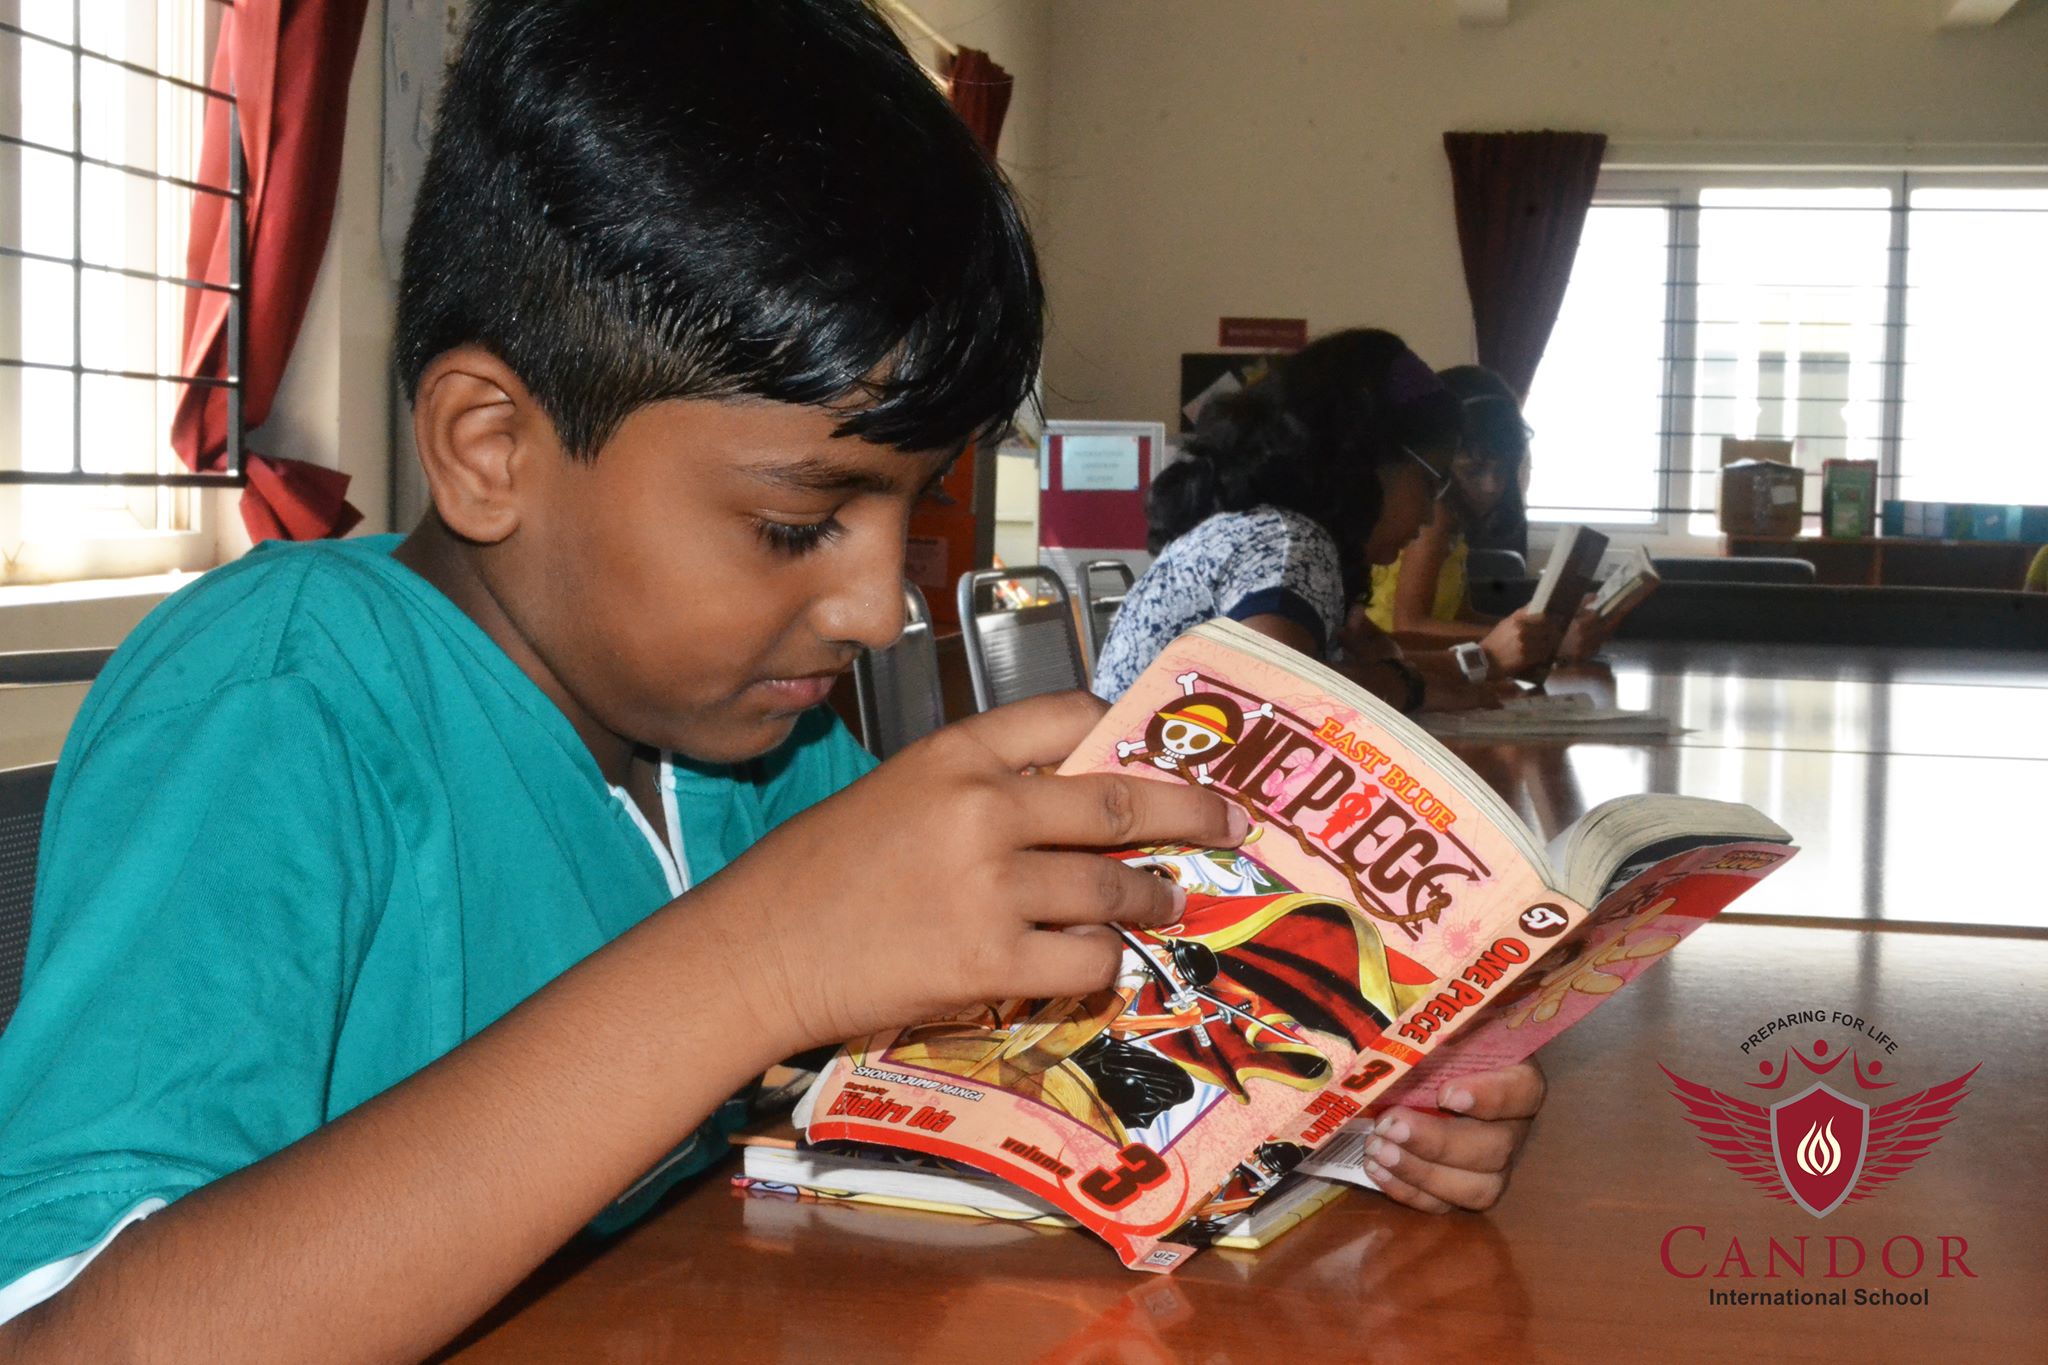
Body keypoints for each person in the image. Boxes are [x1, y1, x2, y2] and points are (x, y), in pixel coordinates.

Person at [0, 6, 1540, 1358]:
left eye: (911, 505)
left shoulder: (750, 737)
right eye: (797, 522)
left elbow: (946, 1090)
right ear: (489, 447)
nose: (877, 607)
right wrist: (761, 957)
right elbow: (90, 1337)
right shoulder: (276, 697)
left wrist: (1299, 1095)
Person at [1092, 331, 1560, 711]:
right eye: (1431, 480)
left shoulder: (1280, 536)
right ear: (1368, 461)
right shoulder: (1286, 541)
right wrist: (1402, 686)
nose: (1427, 513)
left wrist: (1393, 668)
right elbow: (1270, 698)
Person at [1363, 365, 1605, 665]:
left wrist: (1529, 633)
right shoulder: (1434, 515)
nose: (1492, 486)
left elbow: (1456, 617)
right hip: (1392, 664)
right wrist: (1540, 642)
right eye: (1473, 470)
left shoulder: (1456, 520)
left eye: (1502, 469)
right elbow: (1409, 625)